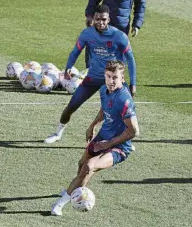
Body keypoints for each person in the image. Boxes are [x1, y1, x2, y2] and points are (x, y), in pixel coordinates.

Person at [51, 60, 139, 216]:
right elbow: (104, 108)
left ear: (122, 79)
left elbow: (133, 131)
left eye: (115, 77)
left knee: (89, 167)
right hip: (102, 137)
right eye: (108, 76)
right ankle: (73, 190)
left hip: (119, 146)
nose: (111, 81)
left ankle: (60, 204)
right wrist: (93, 125)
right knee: (81, 165)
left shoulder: (124, 99)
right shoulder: (104, 89)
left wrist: (110, 143)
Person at [44, 4, 137, 144]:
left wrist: (133, 83)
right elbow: (76, 51)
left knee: (121, 113)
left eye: (104, 19)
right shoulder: (87, 34)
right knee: (71, 106)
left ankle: (122, 143)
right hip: (93, 78)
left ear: (109, 19)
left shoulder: (119, 36)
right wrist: (68, 67)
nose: (101, 22)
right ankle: (57, 133)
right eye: (98, 19)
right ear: (93, 18)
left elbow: (131, 60)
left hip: (114, 81)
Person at [84, 0, 146, 68]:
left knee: (116, 60)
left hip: (121, 26)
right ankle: (90, 73)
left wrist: (137, 24)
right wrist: (90, 15)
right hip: (104, 21)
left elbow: (140, 4)